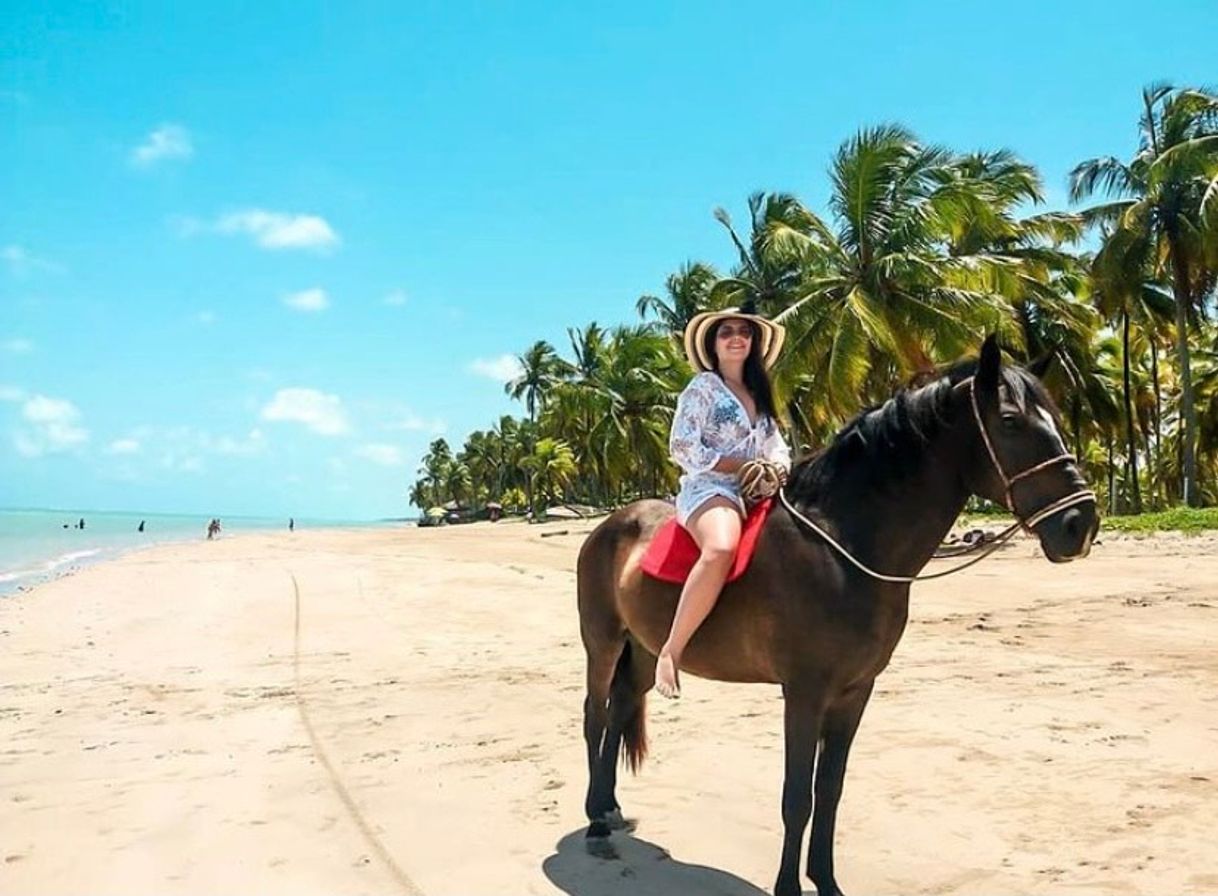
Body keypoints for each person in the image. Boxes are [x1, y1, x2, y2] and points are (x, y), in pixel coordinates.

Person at [655, 303, 791, 698]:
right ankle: (672, 649)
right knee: (720, 547)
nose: (736, 338)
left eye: (744, 332)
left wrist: (777, 469)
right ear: (714, 345)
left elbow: (776, 446)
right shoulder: (702, 389)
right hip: (710, 488)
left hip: (756, 488)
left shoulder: (757, 394)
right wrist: (740, 465)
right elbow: (682, 447)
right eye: (726, 331)